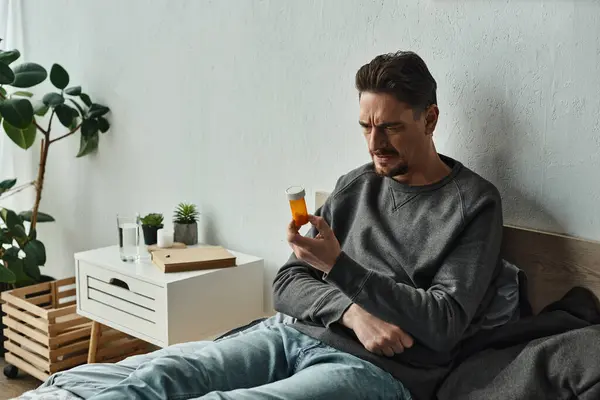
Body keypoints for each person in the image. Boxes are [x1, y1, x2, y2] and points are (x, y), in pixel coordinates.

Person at [38, 51, 505, 400]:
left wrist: (341, 267)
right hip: (294, 333)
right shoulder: (356, 185)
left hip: (379, 372)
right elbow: (287, 283)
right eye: (365, 126)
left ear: (430, 118)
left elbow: (443, 323)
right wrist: (350, 312)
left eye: (391, 128)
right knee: (158, 379)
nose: (374, 143)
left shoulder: (473, 204)